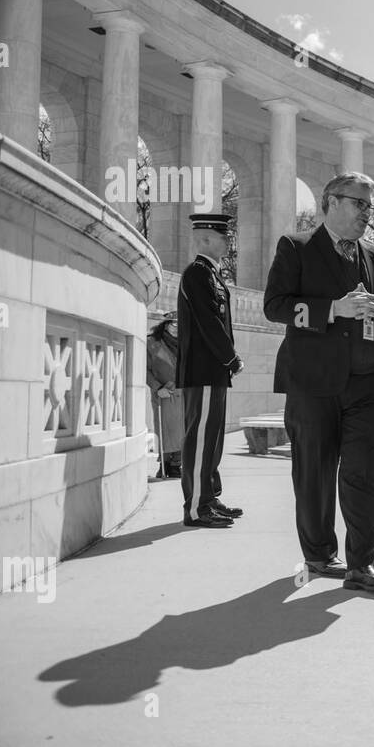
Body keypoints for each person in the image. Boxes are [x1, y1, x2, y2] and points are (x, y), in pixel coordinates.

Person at [263, 171, 374, 593]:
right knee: (315, 473)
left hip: (367, 382)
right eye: (360, 203)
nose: (368, 212)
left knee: (363, 473)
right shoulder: (297, 247)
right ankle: (320, 553)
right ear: (331, 201)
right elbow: (276, 307)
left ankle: (362, 564)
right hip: (312, 382)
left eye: (370, 205)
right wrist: (333, 310)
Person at [177, 212, 244, 528]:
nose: (228, 241)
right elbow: (209, 322)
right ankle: (196, 508)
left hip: (214, 371)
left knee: (213, 438)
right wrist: (231, 358)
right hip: (202, 370)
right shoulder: (196, 273)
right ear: (204, 238)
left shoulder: (212, 275)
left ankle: (209, 497)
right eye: (223, 236)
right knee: (201, 437)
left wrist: (227, 362)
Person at [146, 312, 184, 479]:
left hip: (183, 393)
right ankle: (165, 463)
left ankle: (177, 464)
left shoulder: (187, 343)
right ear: (166, 324)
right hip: (162, 393)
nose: (176, 328)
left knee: (182, 429)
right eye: (173, 324)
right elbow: (144, 369)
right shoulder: (151, 342)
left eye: (180, 324)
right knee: (164, 429)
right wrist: (157, 387)